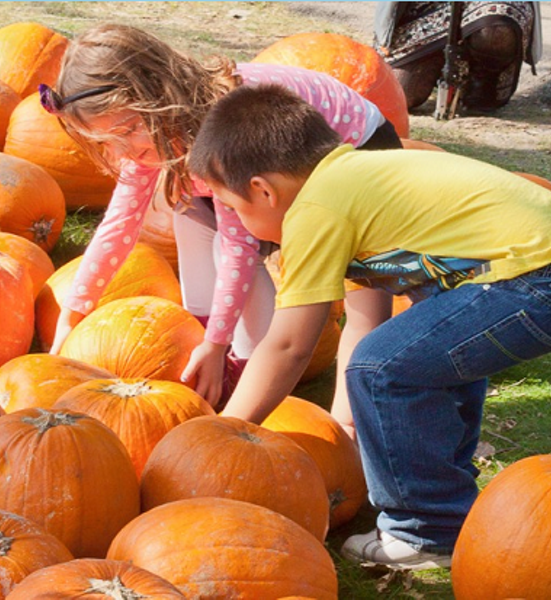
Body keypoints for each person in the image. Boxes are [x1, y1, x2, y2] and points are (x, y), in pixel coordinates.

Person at [187, 82, 551, 570]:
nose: (233, 218)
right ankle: (447, 508)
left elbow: (291, 343)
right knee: (420, 356)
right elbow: (373, 318)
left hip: (533, 276)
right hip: (525, 270)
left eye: (231, 207)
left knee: (382, 367)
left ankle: (425, 531)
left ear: (263, 190)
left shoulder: (316, 209)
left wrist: (227, 432)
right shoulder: (352, 181)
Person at [40, 23, 401, 412]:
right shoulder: (151, 137)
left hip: (358, 156)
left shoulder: (221, 134)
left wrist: (217, 344)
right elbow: (118, 226)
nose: (121, 150)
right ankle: (209, 347)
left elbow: (238, 248)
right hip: (276, 170)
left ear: (157, 98)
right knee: (188, 211)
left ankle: (307, 402)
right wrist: (73, 313)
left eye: (128, 129)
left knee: (363, 300)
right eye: (104, 142)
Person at [374, 1, 542, 112]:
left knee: (495, 33)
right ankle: (438, 58)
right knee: (399, 97)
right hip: (426, 6)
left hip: (491, 7)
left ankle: (481, 73)